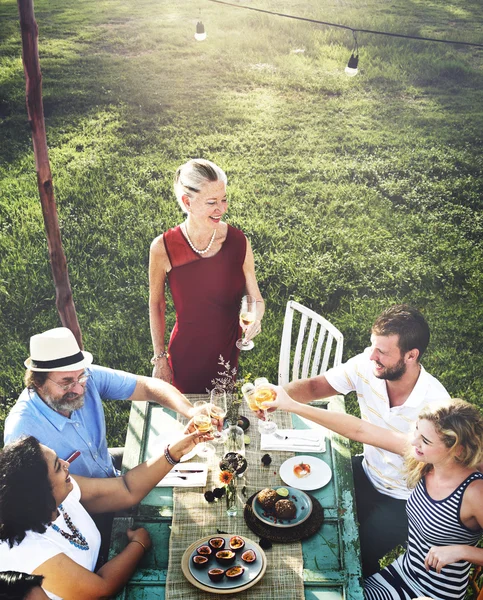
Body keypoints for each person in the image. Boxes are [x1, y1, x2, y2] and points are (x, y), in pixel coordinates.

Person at [279, 304, 450, 576]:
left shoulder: (436, 408)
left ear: (411, 355)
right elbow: (314, 387)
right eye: (373, 346)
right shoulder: (367, 366)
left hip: (405, 499)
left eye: (382, 351)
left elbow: (362, 432)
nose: (372, 356)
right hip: (367, 471)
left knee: (353, 558)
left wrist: (289, 405)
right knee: (305, 514)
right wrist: (276, 395)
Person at [265, 390, 483, 600]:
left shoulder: (474, 493)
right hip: (402, 572)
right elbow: (360, 430)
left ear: (458, 450)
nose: (414, 441)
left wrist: (462, 551)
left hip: (434, 593)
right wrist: (291, 405)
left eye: (425, 440)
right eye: (416, 430)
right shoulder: (425, 460)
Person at [0, 426, 212, 599]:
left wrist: (175, 451)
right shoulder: (27, 551)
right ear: (39, 494)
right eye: (57, 466)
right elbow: (101, 588)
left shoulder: (59, 492)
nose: (66, 464)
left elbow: (126, 489)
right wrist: (138, 545)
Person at [4, 326, 203, 479]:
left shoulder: (85, 376)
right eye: (66, 383)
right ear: (37, 382)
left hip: (108, 469)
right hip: (84, 508)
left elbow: (147, 386)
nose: (79, 388)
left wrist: (191, 412)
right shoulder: (22, 431)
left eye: (81, 378)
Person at [149, 158, 264, 393]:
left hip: (227, 351)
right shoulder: (163, 247)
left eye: (224, 199)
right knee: (190, 420)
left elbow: (255, 298)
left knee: (221, 415)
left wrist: (257, 318)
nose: (221, 209)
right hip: (186, 354)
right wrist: (160, 359)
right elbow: (156, 305)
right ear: (187, 202)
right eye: (212, 202)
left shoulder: (238, 242)